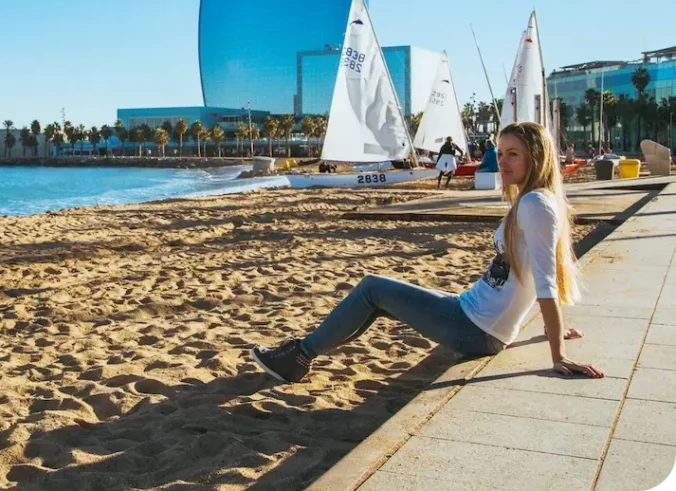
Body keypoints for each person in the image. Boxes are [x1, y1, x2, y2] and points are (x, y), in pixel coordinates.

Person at [250, 121, 603, 383]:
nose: (504, 161)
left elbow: (545, 280)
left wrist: (558, 354)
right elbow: (533, 273)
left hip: (476, 329)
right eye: (502, 151)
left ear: (536, 158)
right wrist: (553, 328)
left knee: (373, 288)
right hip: (470, 310)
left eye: (514, 154)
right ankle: (301, 351)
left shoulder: (535, 205)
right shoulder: (533, 201)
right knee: (374, 299)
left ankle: (300, 356)